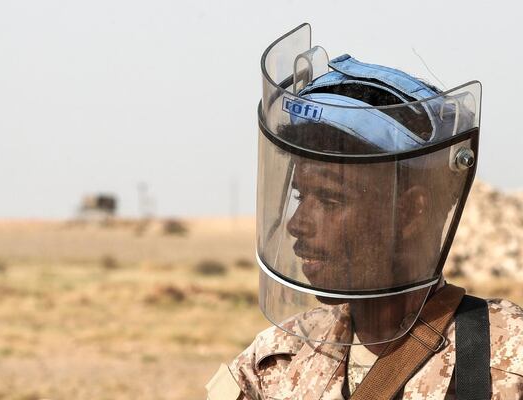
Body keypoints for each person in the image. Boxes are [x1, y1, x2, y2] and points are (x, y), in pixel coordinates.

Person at [205, 24, 523, 400]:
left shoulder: (505, 357)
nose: (297, 223)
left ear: (409, 212)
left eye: (329, 199)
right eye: (299, 194)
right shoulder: (274, 363)